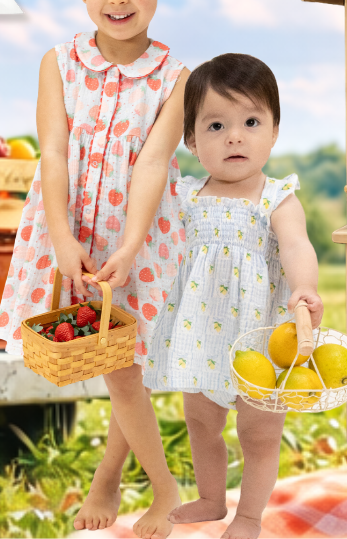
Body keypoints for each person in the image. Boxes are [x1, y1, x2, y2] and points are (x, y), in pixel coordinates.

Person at [0, 0, 187, 537]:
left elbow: (154, 165)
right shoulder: (59, 62)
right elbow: (52, 153)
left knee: (125, 366)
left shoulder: (177, 77)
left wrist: (130, 246)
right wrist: (63, 236)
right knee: (116, 365)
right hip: (68, 230)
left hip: (143, 236)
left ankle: (165, 492)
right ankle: (112, 478)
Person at [103, 54, 321, 539]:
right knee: (201, 423)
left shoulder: (277, 196)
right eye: (216, 125)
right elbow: (149, 237)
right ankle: (210, 497)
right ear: (191, 141)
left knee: (259, 433)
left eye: (251, 122)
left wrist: (305, 287)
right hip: (200, 336)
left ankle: (248, 516)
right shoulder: (183, 195)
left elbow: (296, 246)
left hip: (261, 340)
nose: (235, 136)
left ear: (274, 131)